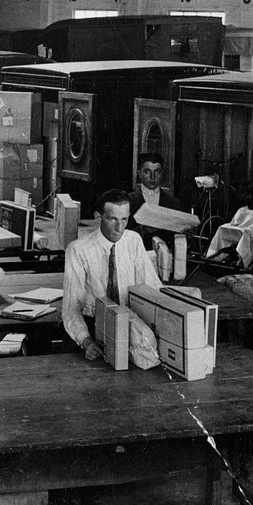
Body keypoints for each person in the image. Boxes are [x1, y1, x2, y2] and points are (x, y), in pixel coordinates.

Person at [62, 189, 163, 361]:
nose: (119, 228)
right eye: (112, 219)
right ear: (98, 217)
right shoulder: (78, 250)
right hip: (92, 326)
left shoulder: (133, 241)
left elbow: (152, 289)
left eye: (124, 220)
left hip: (129, 321)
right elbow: (71, 309)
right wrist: (86, 341)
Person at [128, 151, 187, 250]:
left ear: (162, 174)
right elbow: (121, 235)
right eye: (147, 172)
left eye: (157, 172)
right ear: (139, 174)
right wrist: (143, 230)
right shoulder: (129, 200)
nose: (152, 177)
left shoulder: (173, 202)